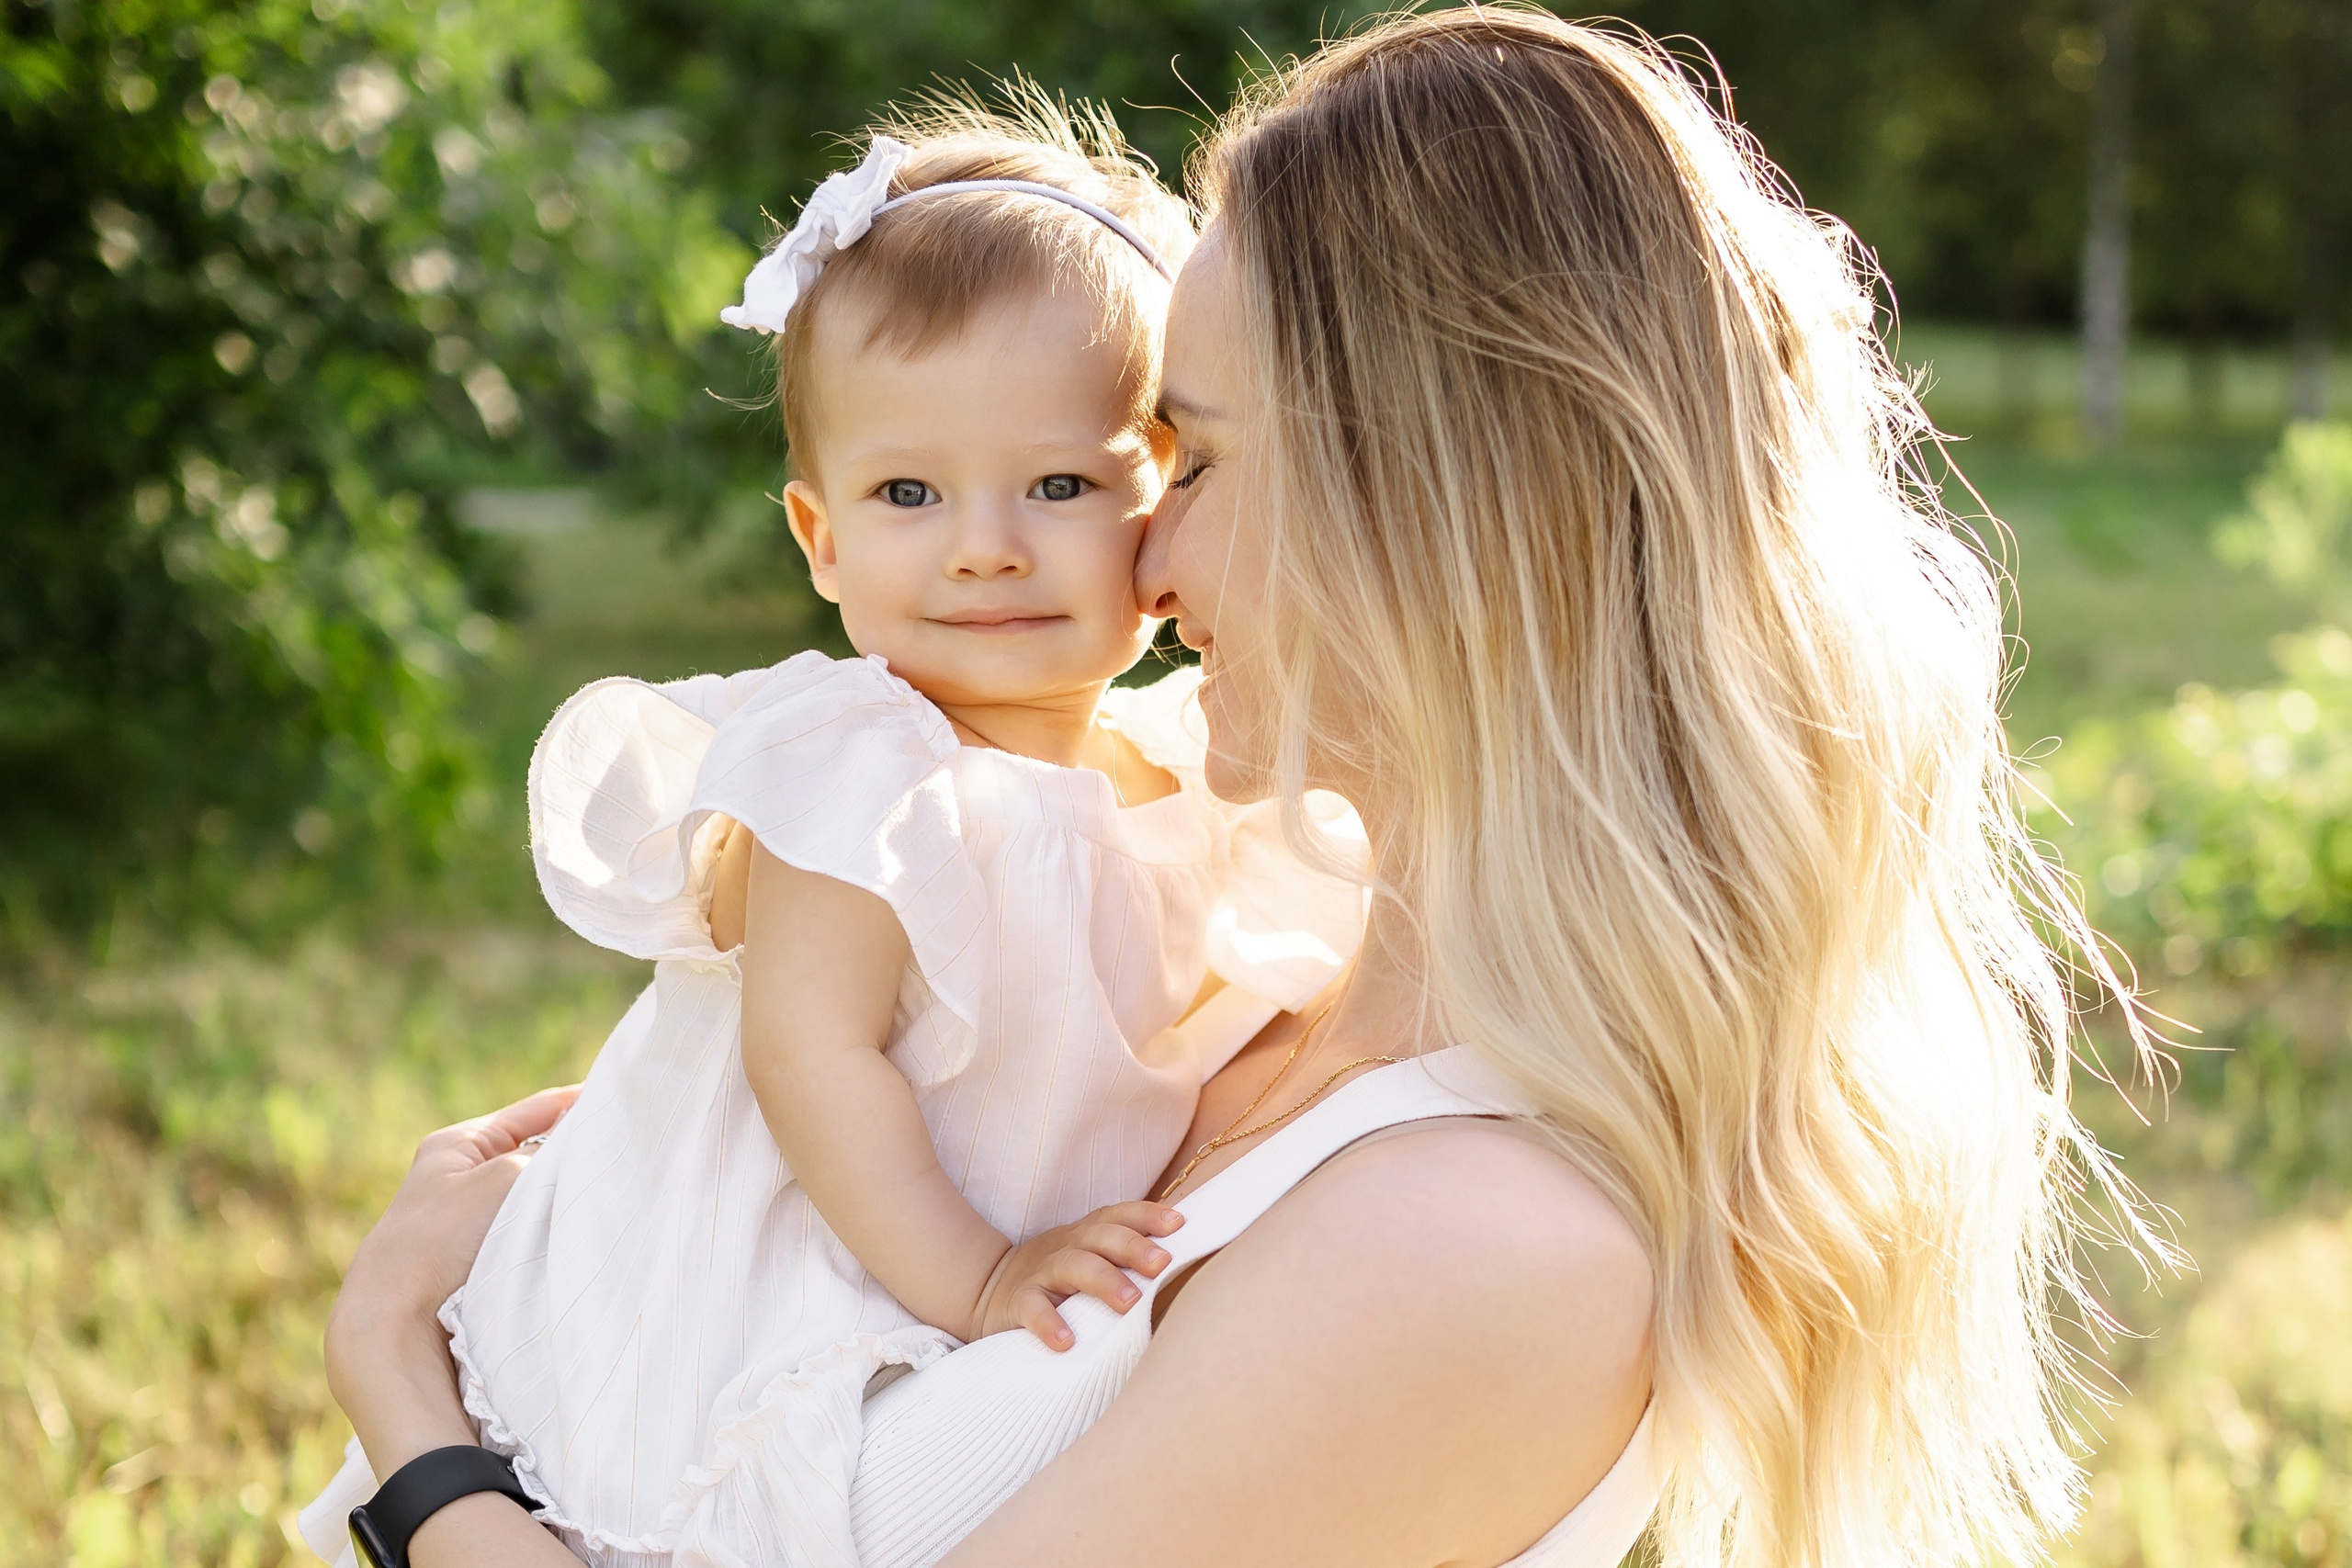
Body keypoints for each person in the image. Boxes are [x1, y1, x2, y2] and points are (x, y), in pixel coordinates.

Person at [320, 11, 2165, 1568]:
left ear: (1432, 503)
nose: (1141, 550)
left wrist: (415, 1421)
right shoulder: (1225, 984)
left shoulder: (1478, 1238)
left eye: (1177, 454)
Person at [300, 97, 1370, 1568]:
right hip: (786, 1276)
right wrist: (984, 1280)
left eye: (1058, 484)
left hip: (961, 1292)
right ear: (819, 538)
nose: (984, 542)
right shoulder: (864, 774)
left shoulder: (1182, 770)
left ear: (1160, 489)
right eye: (907, 494)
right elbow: (813, 1056)